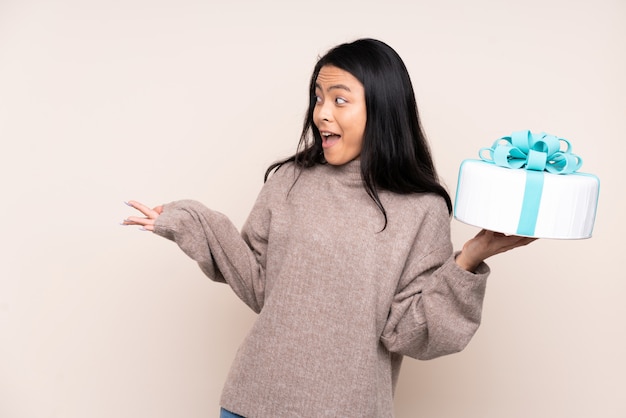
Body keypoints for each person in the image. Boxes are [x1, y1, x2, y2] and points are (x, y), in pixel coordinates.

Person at [123, 38, 535, 418]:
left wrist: (469, 259)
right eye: (318, 98)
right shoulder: (290, 180)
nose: (321, 113)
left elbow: (408, 331)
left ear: (383, 109)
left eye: (340, 100)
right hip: (252, 401)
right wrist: (193, 221)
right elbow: (258, 283)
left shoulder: (421, 209)